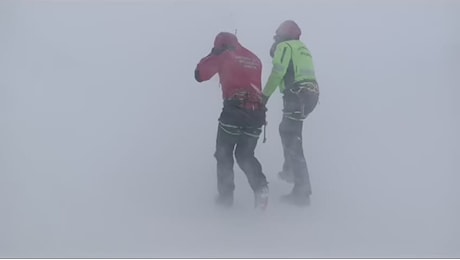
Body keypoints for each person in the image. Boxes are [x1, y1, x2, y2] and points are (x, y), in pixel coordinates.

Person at [194, 32, 269, 209]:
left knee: (224, 154)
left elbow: (200, 74)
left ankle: (225, 199)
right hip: (257, 113)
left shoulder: (224, 55)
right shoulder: (255, 58)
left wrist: (213, 54)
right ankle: (261, 188)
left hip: (234, 111)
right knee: (245, 155)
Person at [262, 20, 319, 206]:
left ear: (282, 35)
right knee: (289, 132)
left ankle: (301, 191)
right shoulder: (302, 47)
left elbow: (278, 72)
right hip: (310, 94)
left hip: (297, 95)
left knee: (290, 136)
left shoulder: (285, 46)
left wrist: (264, 97)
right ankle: (289, 171)